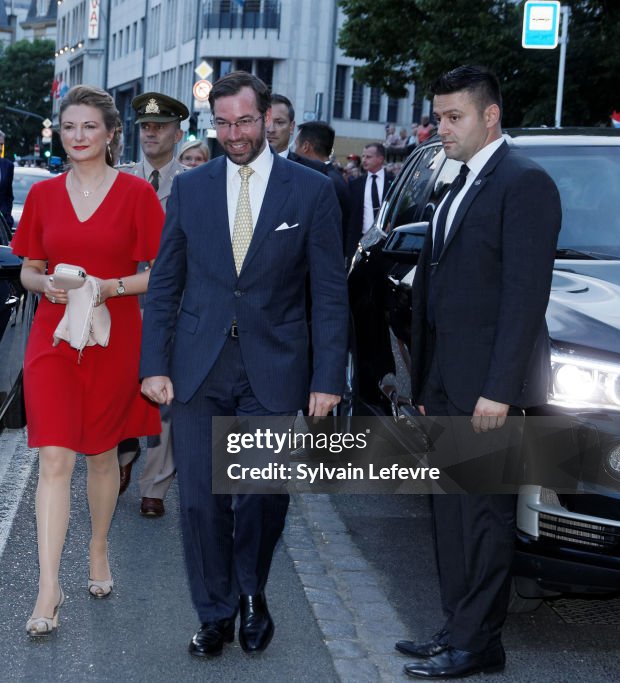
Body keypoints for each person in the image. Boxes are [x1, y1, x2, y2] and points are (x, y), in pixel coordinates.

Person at [139, 71, 348, 658]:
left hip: (275, 366)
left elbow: (330, 293)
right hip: (199, 366)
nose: (234, 134)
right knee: (201, 503)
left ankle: (253, 591)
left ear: (270, 119)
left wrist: (328, 377)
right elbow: (166, 284)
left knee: (260, 495)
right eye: (223, 123)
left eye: (245, 121)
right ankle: (215, 612)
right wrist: (154, 363)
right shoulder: (193, 188)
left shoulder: (310, 192)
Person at [397, 65, 561, 679]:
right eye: (438, 116)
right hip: (446, 380)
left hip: (489, 388)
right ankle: (457, 627)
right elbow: (437, 286)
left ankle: (477, 643)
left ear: (490, 116)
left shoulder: (525, 183)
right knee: (448, 510)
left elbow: (524, 299)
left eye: (453, 117)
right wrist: (425, 383)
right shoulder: (454, 179)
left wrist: (498, 390)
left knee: (485, 518)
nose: (441, 128)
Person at [10, 85, 163, 637]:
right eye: (69, 127)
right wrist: (45, 283)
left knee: (102, 455)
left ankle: (98, 547)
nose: (77, 137)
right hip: (53, 339)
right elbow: (27, 268)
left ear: (109, 134)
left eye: (88, 128)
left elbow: (158, 272)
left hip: (114, 338)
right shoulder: (45, 196)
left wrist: (108, 287)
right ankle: (49, 585)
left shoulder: (136, 194)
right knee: (55, 458)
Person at [117, 91, 190, 518]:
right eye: (145, 126)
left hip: (169, 306)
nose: (151, 133)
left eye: (160, 127)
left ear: (178, 133)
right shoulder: (120, 179)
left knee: (163, 394)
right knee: (120, 390)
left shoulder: (192, 184)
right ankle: (124, 457)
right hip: (120, 302)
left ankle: (155, 486)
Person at [293, 121, 351, 241]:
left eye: (295, 145)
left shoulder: (325, 181)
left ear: (306, 147)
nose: (293, 151)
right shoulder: (334, 177)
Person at [345, 142, 393, 259]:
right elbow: (349, 215)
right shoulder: (355, 184)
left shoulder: (393, 183)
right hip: (360, 241)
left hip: (386, 241)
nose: (364, 160)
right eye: (363, 156)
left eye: (368, 157)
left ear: (380, 159)